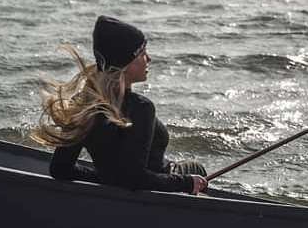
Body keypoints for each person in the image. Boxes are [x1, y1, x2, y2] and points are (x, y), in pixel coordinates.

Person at [32, 15, 210, 195]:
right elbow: (134, 178)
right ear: (125, 63)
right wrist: (185, 183)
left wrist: (107, 180)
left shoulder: (84, 106)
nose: (149, 58)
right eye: (142, 53)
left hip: (147, 182)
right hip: (162, 187)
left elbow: (61, 169)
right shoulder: (141, 107)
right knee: (197, 169)